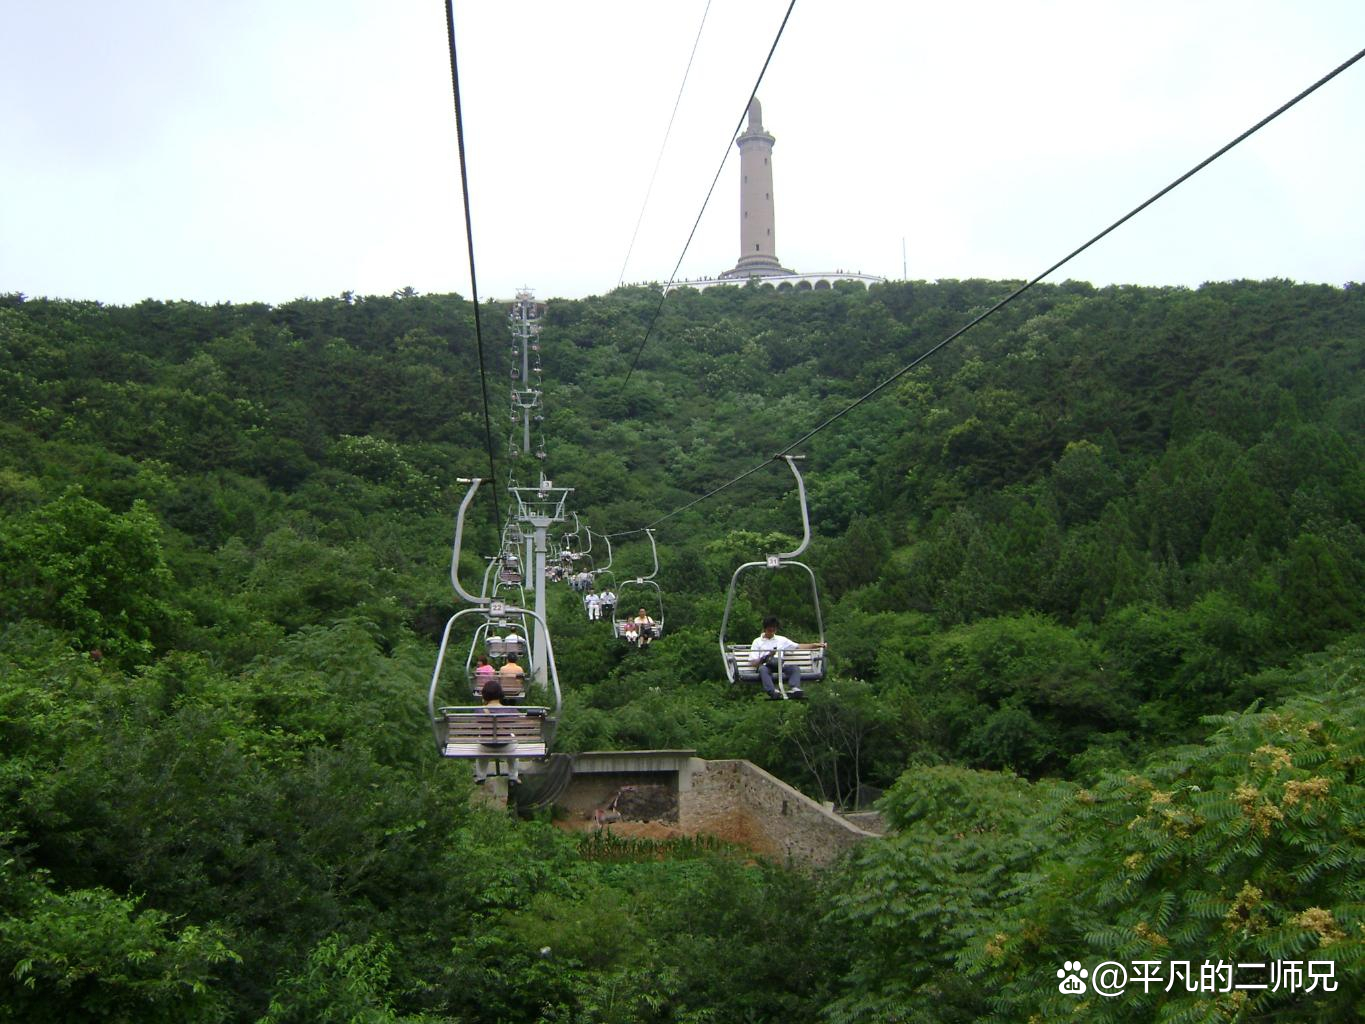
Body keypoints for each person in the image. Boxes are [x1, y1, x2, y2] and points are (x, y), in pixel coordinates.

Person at [749, 615, 825, 699]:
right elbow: (753, 662)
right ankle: (772, 691)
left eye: (774, 630)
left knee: (794, 668)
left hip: (779, 665)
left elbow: (798, 646)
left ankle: (794, 688)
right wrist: (767, 656)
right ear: (765, 629)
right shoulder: (757, 642)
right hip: (766, 665)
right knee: (763, 670)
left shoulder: (781, 640)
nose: (771, 632)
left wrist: (816, 645)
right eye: (769, 630)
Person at [473, 678, 521, 784]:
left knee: (481, 743)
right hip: (506, 746)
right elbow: (518, 721)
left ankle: (481, 777)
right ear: (500, 694)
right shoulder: (510, 710)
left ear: (484, 695)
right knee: (514, 742)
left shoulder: (479, 710)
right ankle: (513, 777)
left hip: (485, 747)